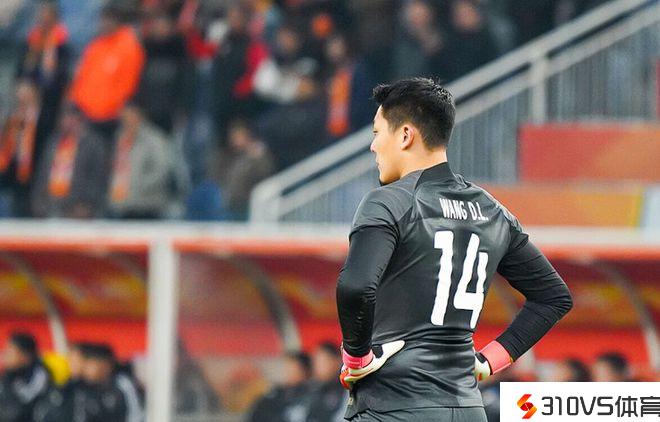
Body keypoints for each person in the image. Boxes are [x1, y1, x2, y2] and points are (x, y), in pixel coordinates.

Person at [336, 78, 573, 421]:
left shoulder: (389, 202)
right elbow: (553, 297)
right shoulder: (492, 211)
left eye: (377, 133)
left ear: (405, 135)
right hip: (467, 408)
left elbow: (356, 287)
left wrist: (357, 359)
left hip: (392, 406)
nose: (373, 146)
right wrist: (488, 361)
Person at [68, 3, 145, 138]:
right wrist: (76, 104)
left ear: (117, 21)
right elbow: (82, 76)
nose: (103, 24)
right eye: (102, 19)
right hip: (85, 116)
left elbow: (128, 87)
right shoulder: (96, 45)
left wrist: (109, 111)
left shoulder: (130, 48)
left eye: (108, 20)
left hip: (109, 121)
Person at [215, 118, 274, 220]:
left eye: (239, 136)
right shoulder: (227, 156)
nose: (235, 140)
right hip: (231, 205)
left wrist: (258, 158)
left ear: (247, 136)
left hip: (248, 206)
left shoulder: (257, 155)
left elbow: (265, 172)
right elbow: (219, 176)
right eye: (233, 136)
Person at [78, 343, 143, 422]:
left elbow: (135, 416)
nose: (86, 369)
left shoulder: (122, 383)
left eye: (90, 364)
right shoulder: (81, 387)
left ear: (105, 365)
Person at [0, 332, 52, 421]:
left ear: (25, 356)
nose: (5, 355)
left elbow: (24, 406)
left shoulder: (39, 374)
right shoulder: (9, 374)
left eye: (10, 351)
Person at [248, 351, 313, 422]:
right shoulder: (275, 393)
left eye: (292, 368)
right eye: (286, 367)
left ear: (304, 371)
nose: (287, 372)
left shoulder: (311, 396)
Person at [306, 342, 347, 422]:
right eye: (315, 362)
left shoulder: (348, 388)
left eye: (322, 361)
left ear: (337, 360)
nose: (317, 367)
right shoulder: (314, 389)